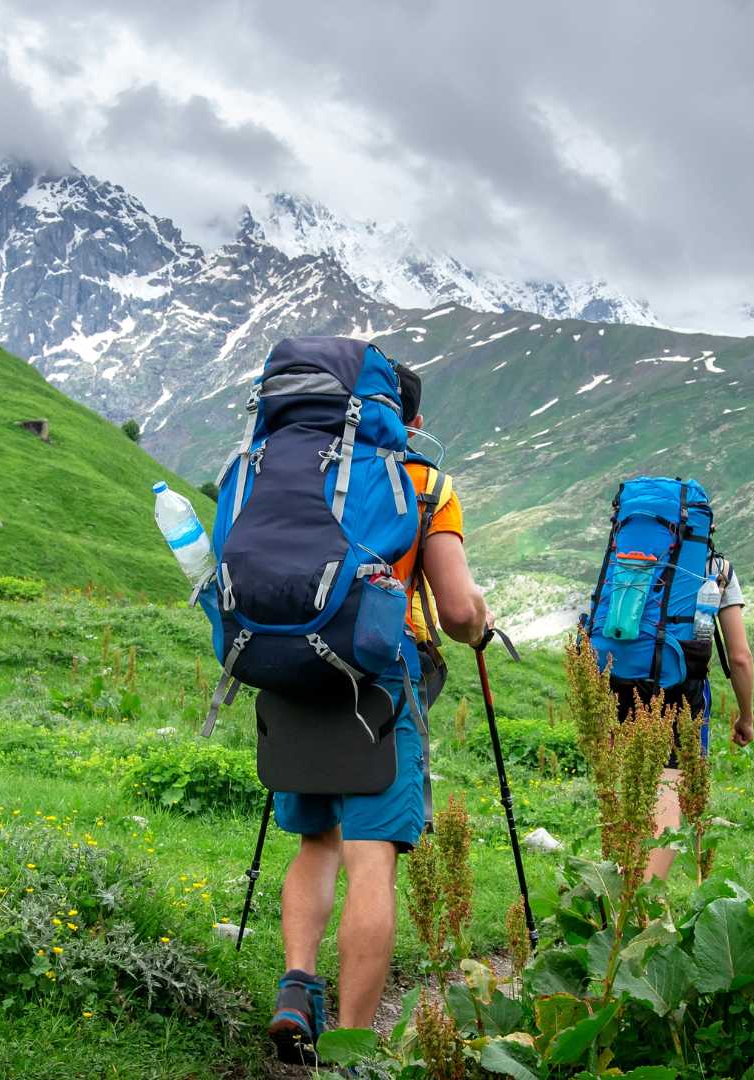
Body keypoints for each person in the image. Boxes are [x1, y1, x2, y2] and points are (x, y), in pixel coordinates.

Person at [265, 361, 493, 1062]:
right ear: (408, 423)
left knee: (316, 842)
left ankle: (298, 987)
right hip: (382, 681)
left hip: (292, 669)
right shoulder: (426, 485)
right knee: (372, 857)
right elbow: (455, 612)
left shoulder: (288, 470)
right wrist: (481, 624)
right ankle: (349, 1049)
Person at [641, 553, 754, 880]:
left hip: (622, 683)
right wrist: (746, 717)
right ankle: (639, 908)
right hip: (681, 690)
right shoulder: (716, 568)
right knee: (667, 799)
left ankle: (619, 897)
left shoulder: (632, 550)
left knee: (633, 795)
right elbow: (740, 657)